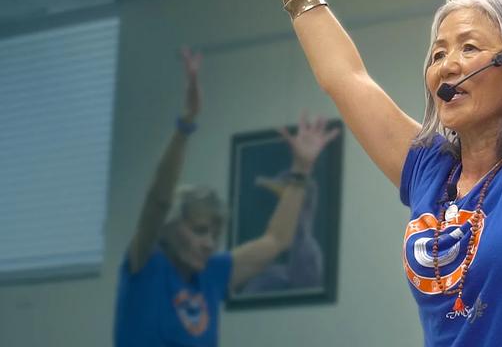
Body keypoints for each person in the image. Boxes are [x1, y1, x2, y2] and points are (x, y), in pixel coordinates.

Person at [259, 0, 502, 346]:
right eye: (439, 53)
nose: (448, 65)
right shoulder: (430, 170)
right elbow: (346, 78)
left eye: (469, 48)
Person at [112, 48, 339, 347]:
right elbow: (158, 200)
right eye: (199, 230)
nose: (208, 243)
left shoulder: (210, 274)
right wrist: (186, 124)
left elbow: (276, 240)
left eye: (214, 235)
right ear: (171, 227)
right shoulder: (146, 264)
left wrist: (300, 171)